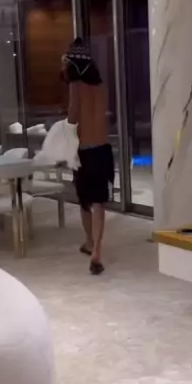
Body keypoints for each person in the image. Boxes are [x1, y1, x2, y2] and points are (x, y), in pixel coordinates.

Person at [61, 37, 114, 275]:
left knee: (85, 201)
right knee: (99, 202)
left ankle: (89, 242)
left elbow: (73, 117)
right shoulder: (102, 87)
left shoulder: (76, 86)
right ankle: (97, 251)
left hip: (84, 152)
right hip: (103, 149)